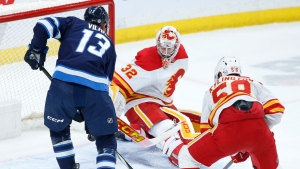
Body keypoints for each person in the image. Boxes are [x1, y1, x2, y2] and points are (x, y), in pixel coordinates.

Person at [24, 6, 118, 169]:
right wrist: (92, 121)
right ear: (104, 25)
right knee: (106, 137)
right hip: (95, 91)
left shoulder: (73, 24)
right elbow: (104, 87)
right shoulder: (110, 45)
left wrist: (36, 49)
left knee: (59, 130)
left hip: (62, 86)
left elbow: (43, 25)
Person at [178, 56, 285, 169]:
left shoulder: (210, 91)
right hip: (260, 134)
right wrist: (256, 131)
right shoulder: (253, 82)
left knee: (186, 157)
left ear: (219, 74)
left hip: (228, 134)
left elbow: (206, 130)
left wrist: (234, 150)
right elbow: (276, 111)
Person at [111, 25, 191, 166]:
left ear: (177, 46)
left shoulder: (183, 55)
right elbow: (117, 84)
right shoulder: (147, 59)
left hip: (162, 101)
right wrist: (108, 113)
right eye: (162, 48)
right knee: (165, 129)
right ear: (157, 43)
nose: (165, 53)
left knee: (181, 128)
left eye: (169, 49)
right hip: (138, 100)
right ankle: (181, 157)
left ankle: (138, 130)